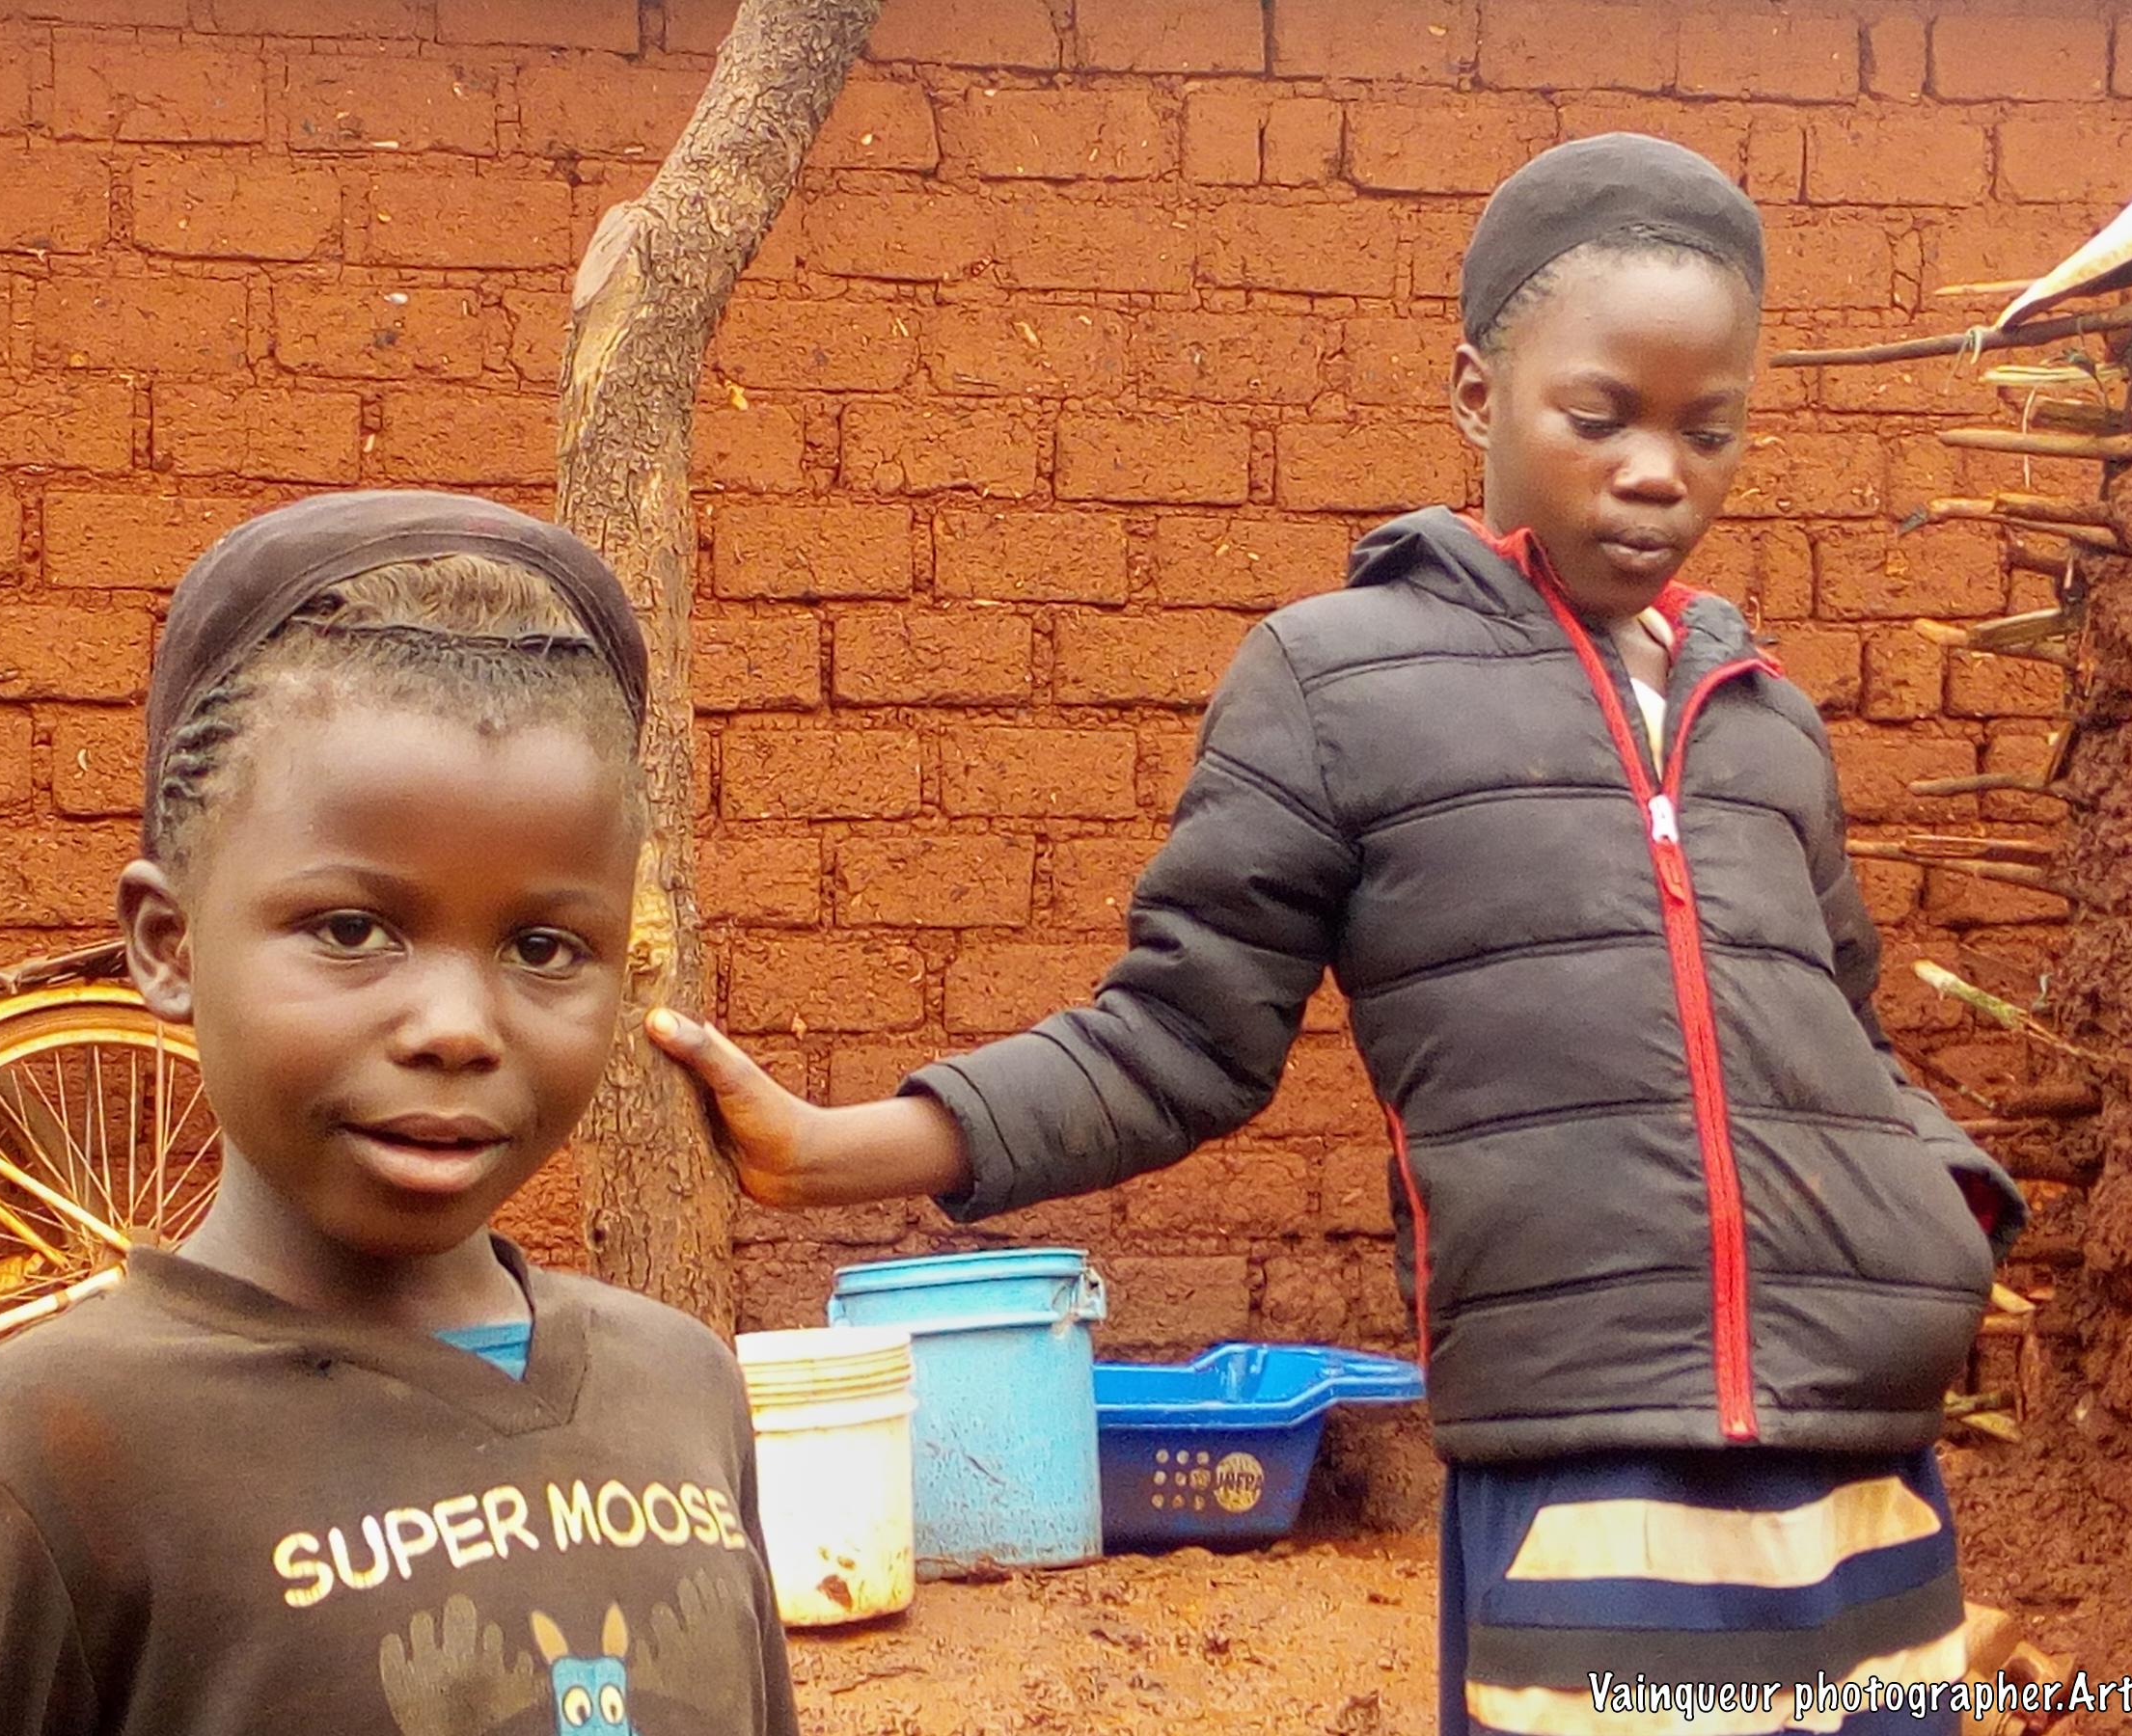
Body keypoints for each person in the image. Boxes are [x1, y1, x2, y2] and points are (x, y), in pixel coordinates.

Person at [649, 135, 2027, 1735]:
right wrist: (831, 1151)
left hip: (1864, 1447)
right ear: (1477, 396)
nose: (1659, 469)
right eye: (1602, 416)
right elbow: (1175, 1039)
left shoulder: (1766, 718)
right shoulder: (1336, 683)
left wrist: (1944, 1206)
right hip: (1589, 1452)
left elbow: (1846, 1034)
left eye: (1706, 429)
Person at [0, 492, 800, 1736]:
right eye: (352, 930)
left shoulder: (680, 1388)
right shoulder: (44, 1458)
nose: (456, 1027)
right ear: (168, 946)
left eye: (544, 947)